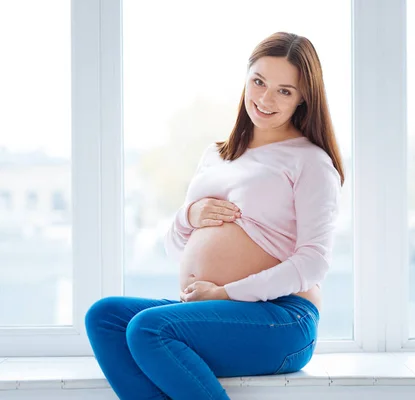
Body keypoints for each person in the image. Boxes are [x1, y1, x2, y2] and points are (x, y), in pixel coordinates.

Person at [85, 31, 345, 400]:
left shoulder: (311, 162)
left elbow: (314, 263)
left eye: (284, 91)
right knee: (105, 317)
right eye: (258, 82)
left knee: (148, 329)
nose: (265, 98)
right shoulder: (217, 154)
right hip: (217, 312)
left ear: (304, 98)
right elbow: (178, 249)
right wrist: (189, 216)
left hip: (283, 319)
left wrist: (224, 292)